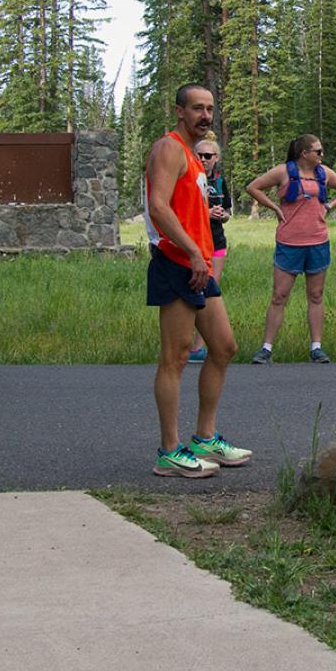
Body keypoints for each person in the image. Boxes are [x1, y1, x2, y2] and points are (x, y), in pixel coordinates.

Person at [143, 85, 251, 478]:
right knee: (176, 356)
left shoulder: (193, 154)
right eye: (197, 109)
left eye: (210, 109)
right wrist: (190, 250)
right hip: (176, 262)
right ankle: (169, 450)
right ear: (179, 112)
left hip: (198, 264)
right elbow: (158, 206)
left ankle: (205, 438)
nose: (206, 116)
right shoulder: (169, 148)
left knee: (223, 347)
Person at [246, 134, 336, 364]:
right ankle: (266, 348)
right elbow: (253, 187)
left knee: (316, 295)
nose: (322, 155)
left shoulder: (323, 173)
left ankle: (316, 348)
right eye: (318, 151)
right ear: (304, 153)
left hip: (317, 242)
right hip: (289, 242)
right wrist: (274, 207)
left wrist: (328, 207)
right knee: (279, 296)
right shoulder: (283, 171)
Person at [187, 138, 231, 363]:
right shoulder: (189, 179)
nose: (203, 160)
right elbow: (182, 213)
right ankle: (185, 344)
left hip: (217, 242)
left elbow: (227, 211)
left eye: (208, 156)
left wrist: (222, 215)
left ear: (216, 159)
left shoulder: (221, 182)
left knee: (210, 292)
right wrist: (206, 214)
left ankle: (199, 346)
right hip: (194, 244)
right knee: (192, 292)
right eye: (200, 155)